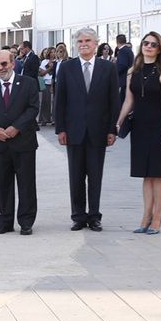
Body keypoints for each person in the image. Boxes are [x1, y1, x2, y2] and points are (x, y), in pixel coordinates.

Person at [55, 27, 119, 232]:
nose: (84, 44)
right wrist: (60, 129)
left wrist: (112, 129)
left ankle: (94, 216)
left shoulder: (107, 68)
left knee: (95, 175)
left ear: (96, 43)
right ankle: (78, 217)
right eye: (80, 41)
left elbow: (113, 101)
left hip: (98, 132)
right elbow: (60, 100)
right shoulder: (66, 68)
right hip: (73, 131)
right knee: (76, 176)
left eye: (88, 41)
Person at [116, 31, 161, 235]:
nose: (148, 46)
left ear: (159, 49)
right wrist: (119, 121)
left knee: (158, 174)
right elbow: (129, 101)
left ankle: (157, 217)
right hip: (139, 127)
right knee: (145, 175)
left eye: (153, 44)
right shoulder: (133, 70)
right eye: (146, 43)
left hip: (159, 127)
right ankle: (145, 216)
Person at [0, 50, 40, 235]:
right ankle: (5, 222)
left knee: (26, 183)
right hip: (0, 143)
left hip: (24, 142)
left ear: (13, 63)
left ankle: (26, 221)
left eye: (4, 64)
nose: (0, 68)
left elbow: (33, 108)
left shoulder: (28, 83)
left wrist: (16, 127)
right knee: (3, 183)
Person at [115, 33, 134, 103]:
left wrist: (114, 71)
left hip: (123, 79)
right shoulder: (129, 50)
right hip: (128, 78)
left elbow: (122, 65)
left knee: (121, 100)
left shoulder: (122, 51)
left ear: (117, 42)